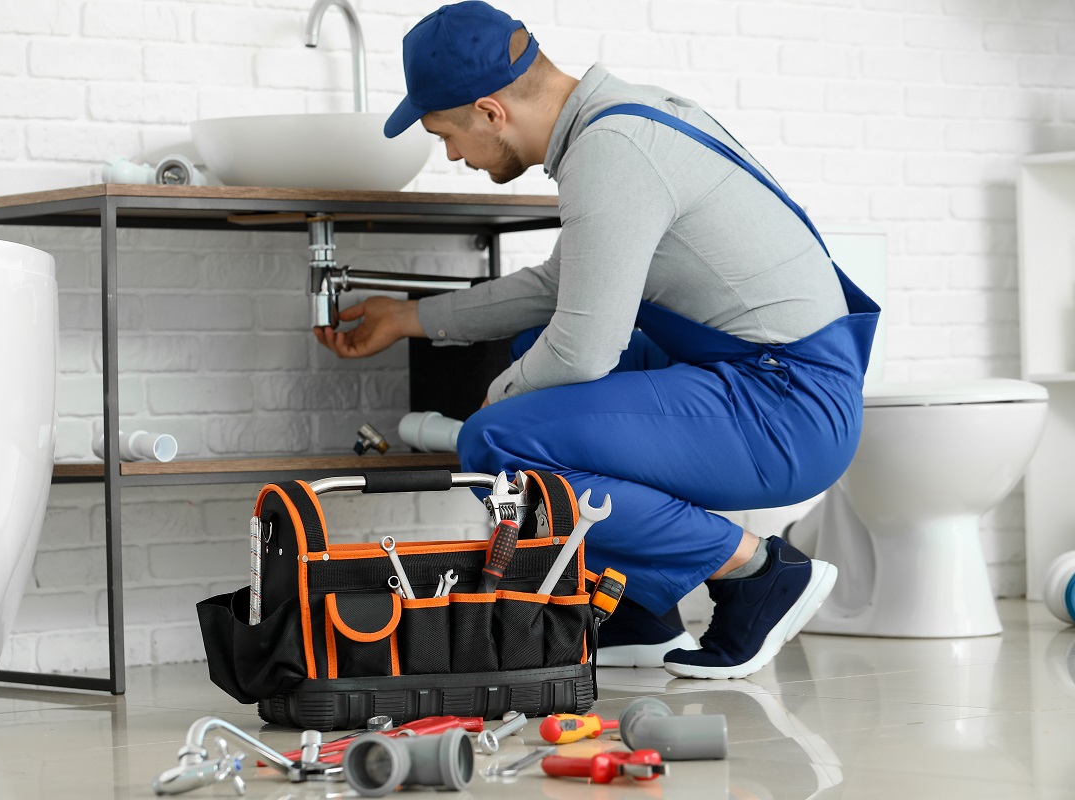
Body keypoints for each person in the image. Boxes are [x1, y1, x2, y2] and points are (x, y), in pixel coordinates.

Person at [314, 1, 879, 679]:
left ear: (492, 112)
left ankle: (756, 573)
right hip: (771, 382)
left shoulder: (611, 154)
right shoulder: (623, 121)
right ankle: (644, 609)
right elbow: (563, 289)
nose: (454, 155)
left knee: (497, 440)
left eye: (448, 135)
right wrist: (411, 318)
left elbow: (584, 351)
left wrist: (495, 410)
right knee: (532, 353)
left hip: (785, 407)